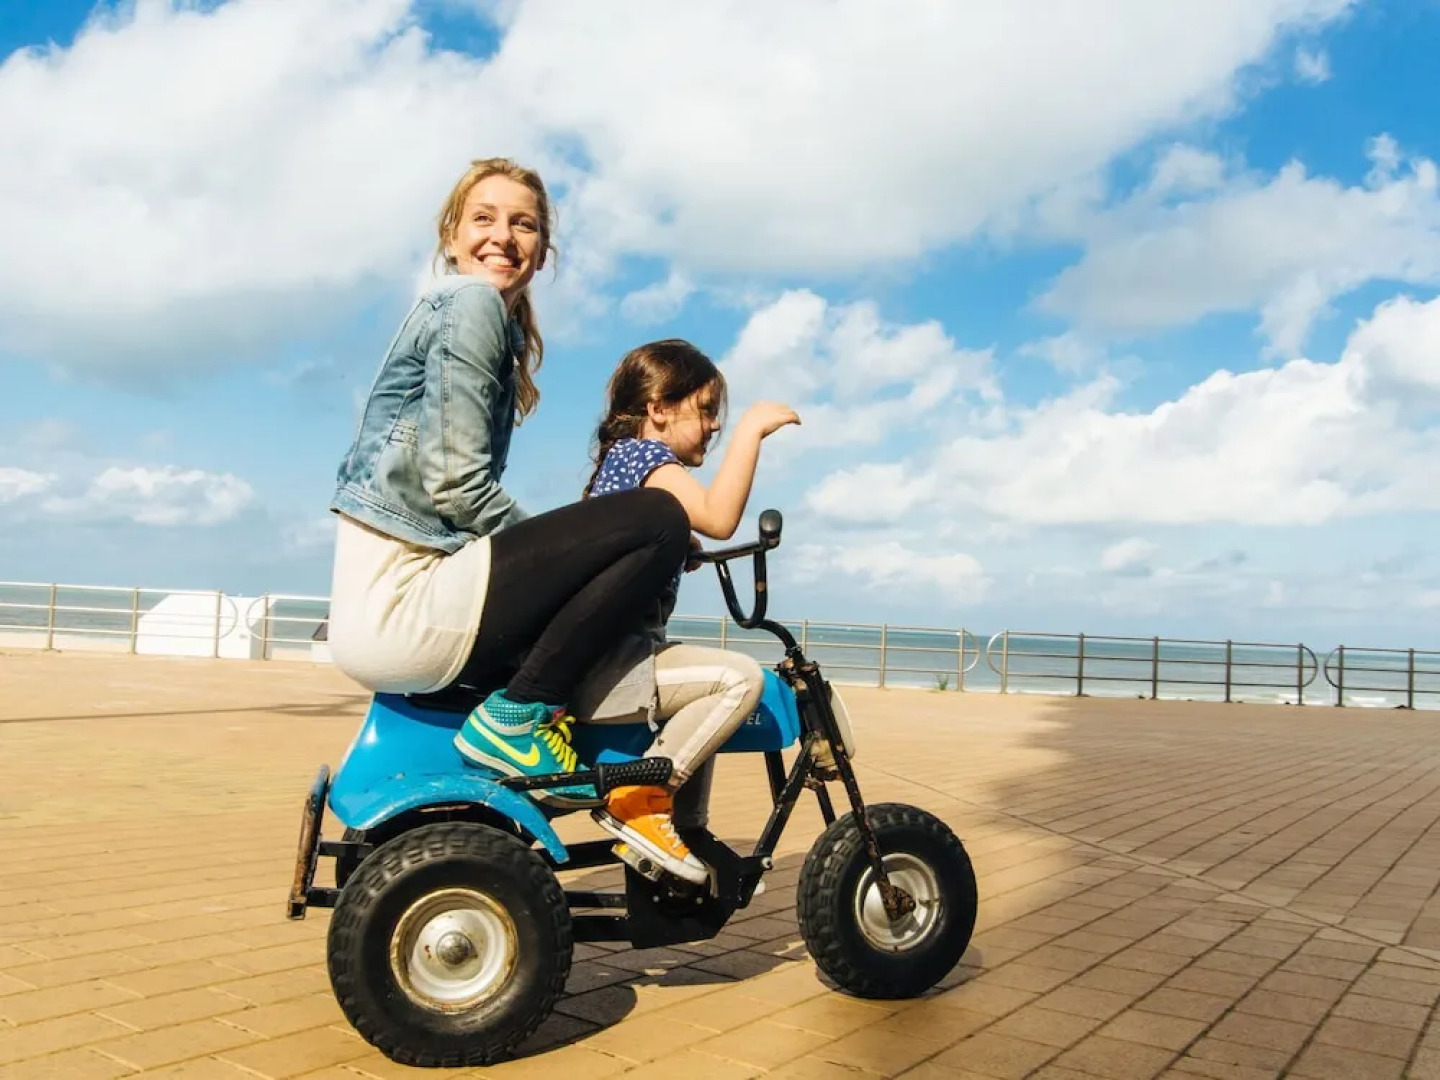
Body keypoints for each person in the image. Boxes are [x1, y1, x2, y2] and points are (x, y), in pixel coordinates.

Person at [326, 158, 690, 808]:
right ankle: (518, 718)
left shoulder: (486, 321)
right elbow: (459, 488)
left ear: (542, 251)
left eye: (523, 224)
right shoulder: (469, 304)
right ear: (451, 237)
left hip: (392, 605)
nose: (503, 236)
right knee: (657, 517)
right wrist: (582, 557)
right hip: (406, 607)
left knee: (633, 539)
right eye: (483, 219)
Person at [570, 339, 800, 884]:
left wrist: (676, 545)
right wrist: (751, 431)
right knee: (739, 680)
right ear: (658, 409)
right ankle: (639, 800)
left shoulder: (621, 465)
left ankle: (686, 831)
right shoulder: (647, 459)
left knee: (699, 692)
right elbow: (718, 517)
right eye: (706, 410)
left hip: (602, 660)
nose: (715, 425)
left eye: (721, 416)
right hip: (613, 667)